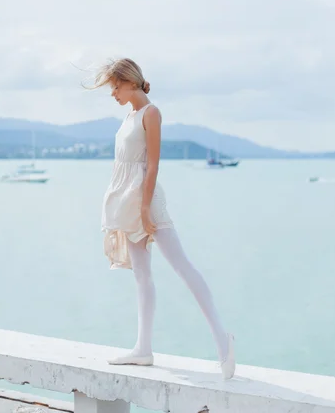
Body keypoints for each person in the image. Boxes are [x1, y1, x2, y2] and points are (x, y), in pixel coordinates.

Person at [89, 57, 235, 379]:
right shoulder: (128, 116)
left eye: (115, 86)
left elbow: (152, 165)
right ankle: (143, 348)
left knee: (182, 266)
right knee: (141, 274)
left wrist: (144, 208)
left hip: (147, 201)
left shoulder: (151, 113)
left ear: (129, 81)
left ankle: (222, 339)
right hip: (128, 201)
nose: (113, 93)